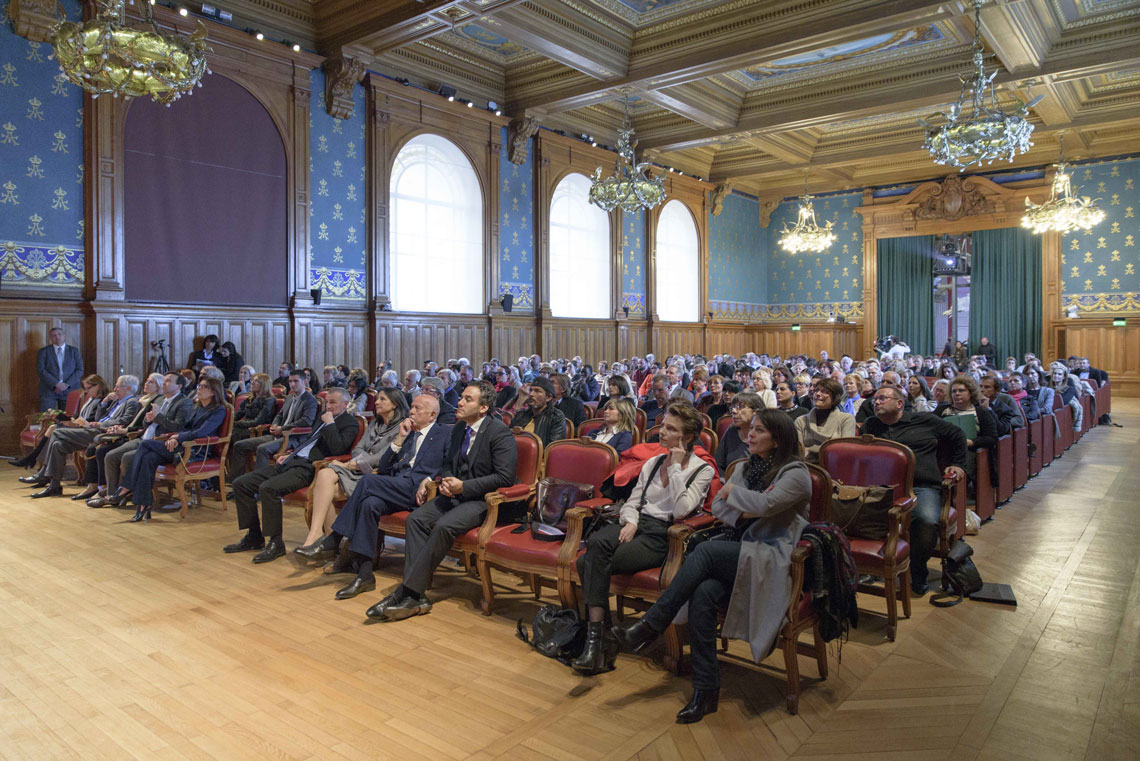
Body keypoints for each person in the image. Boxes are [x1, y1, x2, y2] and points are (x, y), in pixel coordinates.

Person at [612, 409, 810, 723]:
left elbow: (768, 504)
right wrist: (742, 506)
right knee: (703, 595)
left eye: (759, 430)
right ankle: (706, 691)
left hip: (769, 555)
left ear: (778, 438)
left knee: (705, 551)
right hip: (737, 549)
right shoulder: (746, 468)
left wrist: (737, 498)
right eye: (751, 429)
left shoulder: (796, 473)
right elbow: (720, 506)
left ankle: (652, 624)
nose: (750, 434)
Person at [573, 403, 714, 675]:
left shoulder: (701, 469)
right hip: (637, 525)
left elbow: (682, 509)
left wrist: (674, 468)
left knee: (588, 561)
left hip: (663, 536)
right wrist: (632, 521)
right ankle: (599, 641)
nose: (661, 432)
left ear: (685, 438)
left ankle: (596, 641)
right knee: (596, 546)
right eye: (663, 426)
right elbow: (633, 502)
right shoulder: (652, 462)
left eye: (670, 429)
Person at [363, 380, 516, 622]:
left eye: (468, 399)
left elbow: (504, 477)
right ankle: (417, 595)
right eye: (462, 397)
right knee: (416, 519)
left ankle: (407, 591)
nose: (460, 401)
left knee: (444, 526)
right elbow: (448, 463)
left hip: (483, 500)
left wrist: (464, 486)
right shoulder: (458, 429)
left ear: (484, 408)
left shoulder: (499, 432)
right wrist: (439, 479)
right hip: (453, 494)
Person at [297, 395, 450, 599]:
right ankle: (365, 575)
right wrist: (398, 440)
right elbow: (385, 467)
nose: (411, 411)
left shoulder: (445, 433)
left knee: (367, 482)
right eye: (411, 407)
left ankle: (334, 539)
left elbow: (451, 464)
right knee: (369, 504)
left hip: (419, 489)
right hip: (396, 485)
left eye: (417, 408)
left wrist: (432, 478)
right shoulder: (408, 434)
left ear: (432, 415)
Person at [225, 386, 359, 562]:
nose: (328, 406)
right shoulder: (322, 419)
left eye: (333, 402)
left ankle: (275, 543)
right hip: (292, 461)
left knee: (269, 489)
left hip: (309, 468)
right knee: (241, 484)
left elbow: (338, 448)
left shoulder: (349, 422)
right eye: (326, 402)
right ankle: (254, 536)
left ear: (345, 404)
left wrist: (330, 424)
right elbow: (308, 442)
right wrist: (290, 453)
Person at [862, 386, 967, 594]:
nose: (877, 402)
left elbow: (958, 434)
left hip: (921, 486)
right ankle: (870, 565)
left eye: (882, 398)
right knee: (850, 511)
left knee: (927, 520)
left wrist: (958, 464)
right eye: (875, 400)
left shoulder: (923, 420)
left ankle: (918, 568)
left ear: (899, 403)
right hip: (881, 488)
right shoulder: (870, 425)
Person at [296, 387, 409, 550]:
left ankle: (325, 540)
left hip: (375, 475)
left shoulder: (402, 427)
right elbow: (358, 448)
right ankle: (321, 536)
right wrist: (357, 463)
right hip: (356, 469)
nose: (376, 402)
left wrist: (356, 463)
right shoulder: (375, 423)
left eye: (382, 399)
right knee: (325, 476)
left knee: (322, 488)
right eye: (377, 398)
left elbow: (385, 456)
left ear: (395, 404)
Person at [110, 376, 227, 522]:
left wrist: (177, 437)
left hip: (196, 451)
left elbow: (201, 432)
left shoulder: (218, 410)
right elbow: (184, 428)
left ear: (213, 392)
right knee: (148, 458)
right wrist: (175, 436)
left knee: (145, 444)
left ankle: (127, 487)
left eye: (204, 387)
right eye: (199, 386)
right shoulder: (197, 407)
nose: (199, 389)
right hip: (180, 447)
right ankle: (143, 505)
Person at [24, 375, 142, 499]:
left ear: (128, 388)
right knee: (57, 444)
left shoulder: (132, 402)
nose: (115, 388)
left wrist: (101, 424)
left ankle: (43, 471)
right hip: (92, 430)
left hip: (102, 433)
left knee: (56, 432)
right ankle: (54, 486)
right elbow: (98, 417)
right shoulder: (115, 400)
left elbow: (124, 420)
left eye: (118, 386)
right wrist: (104, 403)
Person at [78, 372, 164, 503]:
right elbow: (101, 417)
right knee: (98, 450)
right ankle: (107, 491)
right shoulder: (143, 399)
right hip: (122, 432)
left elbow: (134, 422)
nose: (146, 383)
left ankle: (113, 491)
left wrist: (123, 430)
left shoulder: (144, 401)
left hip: (132, 436)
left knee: (103, 450)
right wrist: (104, 403)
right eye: (146, 381)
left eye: (150, 382)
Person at [228, 370, 318, 480]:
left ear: (305, 381)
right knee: (239, 445)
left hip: (293, 438)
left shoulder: (310, 400)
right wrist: (275, 425)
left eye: (296, 381)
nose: (292, 384)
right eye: (290, 381)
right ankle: (235, 482)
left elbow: (306, 421)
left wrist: (282, 428)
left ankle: (255, 484)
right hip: (278, 434)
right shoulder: (289, 397)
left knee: (262, 449)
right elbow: (279, 415)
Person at [17, 374, 107, 477]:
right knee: (57, 442)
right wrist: (71, 420)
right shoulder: (91, 399)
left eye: (88, 388)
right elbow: (79, 415)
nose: (86, 391)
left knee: (54, 430)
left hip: (87, 430)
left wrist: (76, 422)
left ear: (98, 386)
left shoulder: (103, 401)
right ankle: (47, 476)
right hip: (79, 426)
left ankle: (36, 463)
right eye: (85, 388)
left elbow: (95, 420)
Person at [936, 375, 998, 489]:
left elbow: (992, 438)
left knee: (965, 460)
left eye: (961, 390)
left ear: (971, 393)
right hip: (943, 448)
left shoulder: (981, 413)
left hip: (969, 449)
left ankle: (955, 494)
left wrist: (971, 442)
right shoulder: (942, 410)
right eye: (954, 391)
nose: (957, 394)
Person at [794, 377, 856, 463]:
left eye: (825, 392)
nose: (818, 394)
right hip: (806, 467)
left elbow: (845, 450)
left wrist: (810, 450)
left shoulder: (846, 419)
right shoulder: (801, 421)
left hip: (836, 465)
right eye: (816, 390)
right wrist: (829, 449)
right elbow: (798, 451)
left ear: (835, 397)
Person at [36, 326, 84, 412]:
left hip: (70, 389)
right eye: (54, 335)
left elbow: (79, 370)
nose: (57, 337)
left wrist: (66, 384)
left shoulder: (74, 351)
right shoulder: (43, 352)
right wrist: (56, 384)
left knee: (68, 419)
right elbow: (41, 370)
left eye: (59, 334)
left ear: (64, 336)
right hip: (48, 390)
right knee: (47, 419)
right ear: (50, 338)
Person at [509, 376, 567, 447]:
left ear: (548, 397)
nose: (531, 394)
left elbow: (552, 449)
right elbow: (508, 438)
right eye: (530, 390)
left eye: (537, 391)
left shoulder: (556, 417)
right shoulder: (521, 414)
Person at [715, 391, 764, 472]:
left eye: (740, 407)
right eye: (732, 407)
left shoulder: (765, 436)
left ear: (755, 411)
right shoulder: (731, 431)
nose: (733, 411)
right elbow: (718, 464)